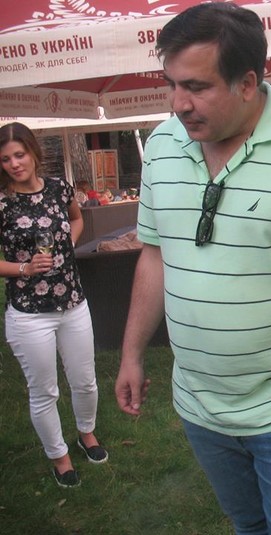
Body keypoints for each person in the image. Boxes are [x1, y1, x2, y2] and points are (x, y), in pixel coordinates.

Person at [113, 4, 271, 534]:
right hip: (199, 406)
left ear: (248, 83)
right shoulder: (161, 146)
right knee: (248, 527)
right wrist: (131, 355)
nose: (179, 104)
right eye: (171, 84)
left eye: (196, 86)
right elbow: (155, 255)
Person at [0, 122, 108, 489]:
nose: (14, 164)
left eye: (19, 155)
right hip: (30, 313)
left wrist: (68, 244)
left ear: (33, 152)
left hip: (73, 303)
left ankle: (86, 433)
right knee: (44, 390)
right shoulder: (3, 203)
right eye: (6, 159)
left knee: (85, 381)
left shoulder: (60, 188)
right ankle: (59, 456)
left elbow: (76, 218)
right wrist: (24, 268)